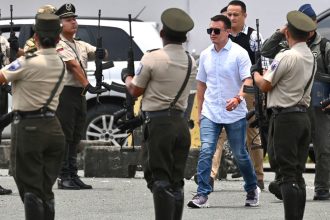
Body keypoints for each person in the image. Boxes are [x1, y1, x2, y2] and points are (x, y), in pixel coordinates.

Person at [122, 8, 196, 220]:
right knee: (176, 179)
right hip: (180, 124)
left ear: (162, 33)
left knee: (159, 178)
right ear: (185, 37)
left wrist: (127, 77)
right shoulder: (191, 61)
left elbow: (135, 90)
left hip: (158, 124)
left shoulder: (152, 58)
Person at [187, 14, 260, 208]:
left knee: (240, 154)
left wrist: (238, 98)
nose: (212, 34)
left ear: (227, 31)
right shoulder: (205, 55)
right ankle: (202, 194)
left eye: (216, 30)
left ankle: (252, 187)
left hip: (234, 113)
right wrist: (200, 112)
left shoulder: (239, 53)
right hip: (211, 112)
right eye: (209, 30)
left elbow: (248, 80)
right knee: (206, 151)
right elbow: (201, 85)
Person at [0, 13, 66, 219]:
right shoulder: (61, 62)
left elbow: (1, 77)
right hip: (54, 127)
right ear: (57, 38)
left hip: (29, 129)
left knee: (30, 187)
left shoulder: (27, 61)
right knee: (45, 188)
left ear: (35, 37)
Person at [261, 4, 330, 201]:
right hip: (293, 105)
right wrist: (280, 32)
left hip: (318, 104)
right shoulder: (287, 44)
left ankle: (322, 188)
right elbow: (266, 51)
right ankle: (284, 182)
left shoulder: (324, 46)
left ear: (314, 24)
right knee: (279, 147)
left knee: (322, 147)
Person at [253, 10, 316, 220]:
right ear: (308, 34)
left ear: (287, 31)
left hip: (285, 118)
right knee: (297, 174)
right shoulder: (310, 55)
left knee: (287, 176)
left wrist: (254, 73)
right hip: (302, 117)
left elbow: (265, 84)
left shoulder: (286, 56)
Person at [55, 3, 107, 190]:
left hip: (79, 93)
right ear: (60, 23)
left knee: (76, 134)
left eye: (74, 19)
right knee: (66, 135)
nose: (74, 22)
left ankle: (73, 174)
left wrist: (101, 52)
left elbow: (100, 53)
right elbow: (73, 66)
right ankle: (63, 176)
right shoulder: (59, 43)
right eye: (69, 20)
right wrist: (88, 85)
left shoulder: (80, 44)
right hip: (66, 93)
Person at [226, 0, 268, 189]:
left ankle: (258, 177)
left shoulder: (253, 36)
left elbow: (263, 64)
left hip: (250, 90)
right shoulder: (222, 34)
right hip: (227, 90)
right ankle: (209, 176)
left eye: (236, 14)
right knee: (219, 134)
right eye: (229, 14)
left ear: (244, 15)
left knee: (253, 134)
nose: (232, 18)